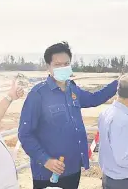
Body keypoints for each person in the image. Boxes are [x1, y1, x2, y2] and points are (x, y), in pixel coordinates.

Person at [18, 42, 119, 189]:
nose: (62, 68)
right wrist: (46, 160)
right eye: (57, 64)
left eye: (66, 63)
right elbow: (25, 134)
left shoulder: (72, 89)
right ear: (48, 66)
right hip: (49, 172)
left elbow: (94, 99)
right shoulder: (38, 94)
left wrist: (118, 84)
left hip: (72, 168)